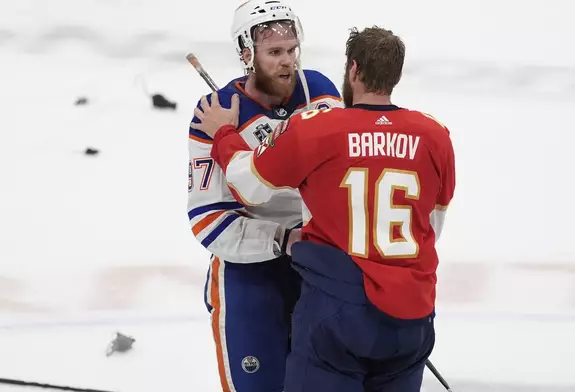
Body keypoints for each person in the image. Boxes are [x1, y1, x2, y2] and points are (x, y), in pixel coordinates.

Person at [196, 25, 456, 392]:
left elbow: (246, 182)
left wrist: (223, 134)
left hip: (339, 310)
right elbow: (430, 225)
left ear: (352, 70)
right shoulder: (435, 134)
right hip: (413, 316)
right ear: (397, 74)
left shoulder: (317, 128)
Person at [186, 0, 343, 390]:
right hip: (248, 272)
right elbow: (208, 219)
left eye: (292, 50)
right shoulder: (216, 111)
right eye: (274, 52)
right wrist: (282, 238)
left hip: (319, 261)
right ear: (246, 54)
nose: (287, 61)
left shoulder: (319, 90)